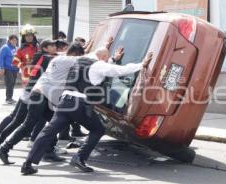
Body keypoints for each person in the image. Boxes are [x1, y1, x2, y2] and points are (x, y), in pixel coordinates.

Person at [20, 47, 153, 175]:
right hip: (79, 104)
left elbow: (99, 65)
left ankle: (28, 163)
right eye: (106, 59)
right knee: (98, 130)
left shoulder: (80, 60)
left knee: (48, 132)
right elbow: (118, 70)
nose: (106, 62)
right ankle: (79, 157)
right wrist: (142, 64)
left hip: (64, 102)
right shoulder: (98, 64)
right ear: (103, 57)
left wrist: (112, 58)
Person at [0, 43, 85, 165]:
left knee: (55, 123)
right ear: (75, 54)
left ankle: (48, 151)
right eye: (78, 55)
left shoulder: (59, 58)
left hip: (44, 96)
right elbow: (87, 59)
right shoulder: (67, 60)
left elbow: (69, 55)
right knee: (28, 124)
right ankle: (4, 149)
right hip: (40, 96)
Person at [0, 39, 58, 153]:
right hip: (32, 92)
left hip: (32, 91)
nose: (55, 47)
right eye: (53, 46)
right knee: (19, 120)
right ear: (45, 48)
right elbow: (16, 62)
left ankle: (44, 145)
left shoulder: (40, 54)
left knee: (44, 119)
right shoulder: (45, 57)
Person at [0, 34, 19, 104]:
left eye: (16, 40)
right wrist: (1, 67)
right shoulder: (5, 48)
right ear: (9, 40)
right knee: (9, 83)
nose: (14, 41)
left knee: (12, 83)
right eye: (13, 40)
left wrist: (18, 67)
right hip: (7, 68)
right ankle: (8, 98)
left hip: (15, 69)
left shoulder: (16, 48)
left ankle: (10, 98)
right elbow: (0, 58)